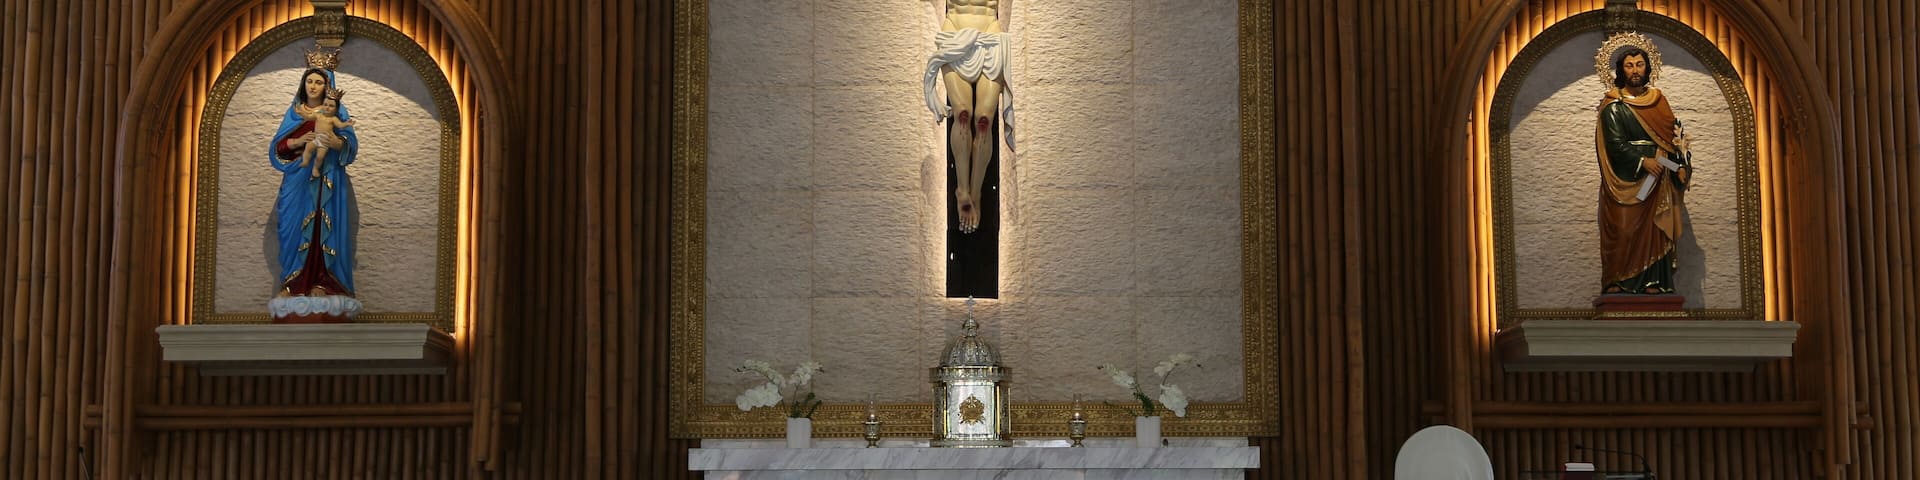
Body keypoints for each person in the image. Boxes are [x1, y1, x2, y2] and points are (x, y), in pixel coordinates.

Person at [1594, 45, 1693, 295]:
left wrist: (1678, 167)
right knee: (1625, 228)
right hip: (1626, 179)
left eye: (1639, 64)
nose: (1635, 70)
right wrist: (1643, 161)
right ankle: (1618, 279)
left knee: (1655, 230)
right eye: (1629, 65)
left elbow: (1669, 145)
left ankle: (1655, 282)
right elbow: (1615, 146)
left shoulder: (1659, 102)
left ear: (1648, 68)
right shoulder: (1614, 105)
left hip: (1657, 179)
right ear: (1621, 70)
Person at [267, 67, 362, 321]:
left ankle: (323, 281)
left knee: (322, 224)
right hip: (297, 179)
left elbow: (349, 147)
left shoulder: (336, 113)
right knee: (293, 228)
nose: (313, 86)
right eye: (309, 81)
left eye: (319, 82)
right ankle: (292, 284)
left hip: (326, 178)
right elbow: (277, 148)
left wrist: (336, 143)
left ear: (326, 85)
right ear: (303, 84)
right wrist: (298, 142)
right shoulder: (294, 113)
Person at [924, 0, 1014, 234]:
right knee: (962, 114)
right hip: (954, 28)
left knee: (984, 120)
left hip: (990, 31)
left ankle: (976, 193)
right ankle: (961, 190)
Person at [298, 89, 355, 179]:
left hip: (324, 140)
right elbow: (308, 117)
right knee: (308, 149)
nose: (327, 107)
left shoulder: (333, 119)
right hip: (315, 136)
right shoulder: (318, 115)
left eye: (331, 106)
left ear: (336, 109)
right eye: (325, 105)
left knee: (320, 156)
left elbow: (340, 125)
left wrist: (346, 124)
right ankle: (305, 161)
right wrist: (302, 113)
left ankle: (315, 169)